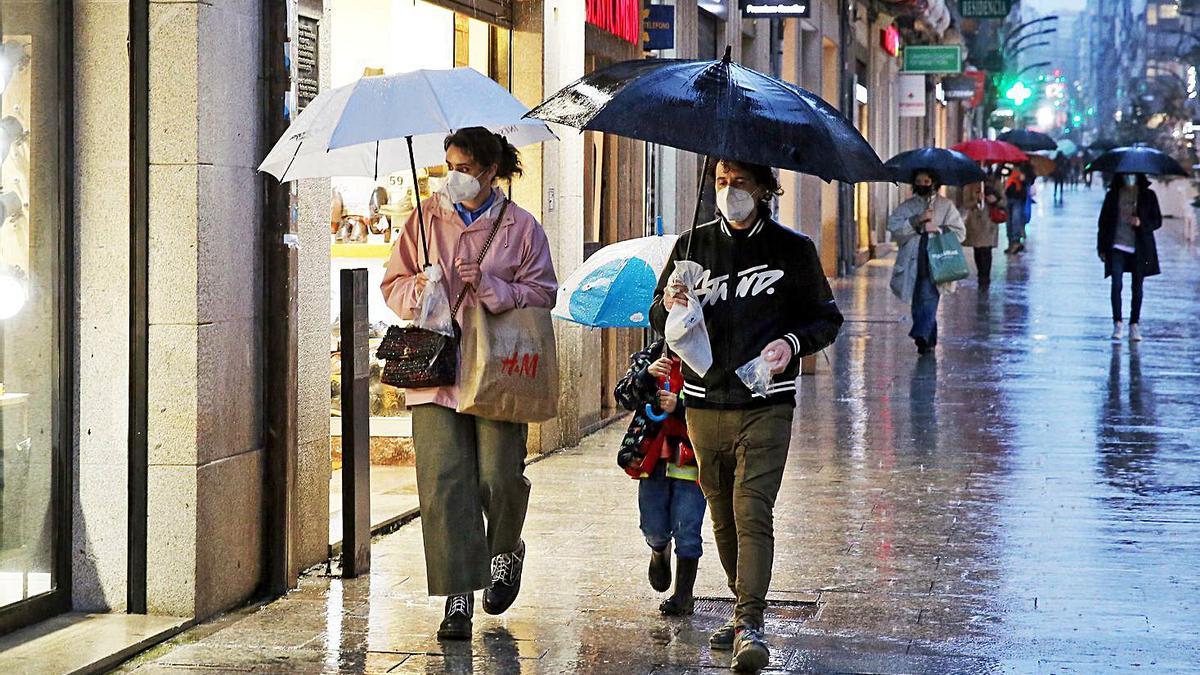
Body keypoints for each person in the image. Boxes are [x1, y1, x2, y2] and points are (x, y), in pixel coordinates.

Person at [650, 159, 843, 672]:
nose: (728, 190)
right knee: (722, 514)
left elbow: (826, 318)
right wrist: (668, 303)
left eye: (738, 181)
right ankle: (741, 612)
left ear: (763, 188)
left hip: (767, 403)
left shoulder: (792, 249)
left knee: (752, 508)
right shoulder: (693, 246)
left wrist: (790, 342)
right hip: (704, 404)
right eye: (720, 181)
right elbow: (656, 318)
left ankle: (751, 622)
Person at [380, 127, 557, 641]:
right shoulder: (424, 218)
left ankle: (505, 549)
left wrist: (494, 288)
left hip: (498, 370)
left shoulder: (522, 228)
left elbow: (542, 292)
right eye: (449, 164)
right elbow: (393, 283)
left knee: (498, 475)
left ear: (489, 171)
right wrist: (422, 286)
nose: (454, 175)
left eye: (465, 167)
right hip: (435, 371)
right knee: (444, 483)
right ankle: (458, 594)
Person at [614, 340, 706, 617]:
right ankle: (659, 550)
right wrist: (646, 376)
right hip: (652, 457)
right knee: (652, 525)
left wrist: (679, 405)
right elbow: (622, 397)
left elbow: (719, 403)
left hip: (692, 457)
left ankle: (683, 596)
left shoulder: (707, 357)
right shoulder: (652, 356)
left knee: (688, 528)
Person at [887, 170, 967, 355]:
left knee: (928, 297)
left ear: (934, 182)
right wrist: (917, 221)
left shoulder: (945, 206)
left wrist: (938, 229)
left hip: (937, 262)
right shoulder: (908, 206)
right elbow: (894, 227)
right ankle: (928, 341)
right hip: (913, 262)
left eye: (926, 180)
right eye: (919, 181)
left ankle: (920, 332)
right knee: (918, 302)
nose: (923, 184)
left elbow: (960, 233)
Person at [1097, 173, 1162, 342]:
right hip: (1117, 245)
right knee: (1116, 284)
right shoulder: (1113, 195)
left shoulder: (1148, 195)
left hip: (1139, 248)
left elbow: (1157, 220)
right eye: (1126, 175)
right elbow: (1103, 222)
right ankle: (1117, 321)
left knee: (1137, 287)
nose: (1129, 178)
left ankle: (1134, 323)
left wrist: (1141, 223)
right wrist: (1102, 247)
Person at [961, 179, 1000, 290]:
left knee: (987, 250)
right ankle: (981, 274)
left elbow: (1004, 201)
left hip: (990, 221)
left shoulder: (995, 182)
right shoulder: (970, 184)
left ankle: (985, 276)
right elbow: (966, 203)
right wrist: (977, 200)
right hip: (975, 222)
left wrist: (994, 200)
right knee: (978, 250)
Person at [1004, 166, 1030, 254]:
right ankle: (1011, 243)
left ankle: (1015, 242)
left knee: (1016, 220)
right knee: (1009, 222)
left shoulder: (1025, 166)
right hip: (1008, 197)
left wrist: (1023, 179)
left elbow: (1030, 180)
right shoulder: (1007, 164)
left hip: (1018, 198)